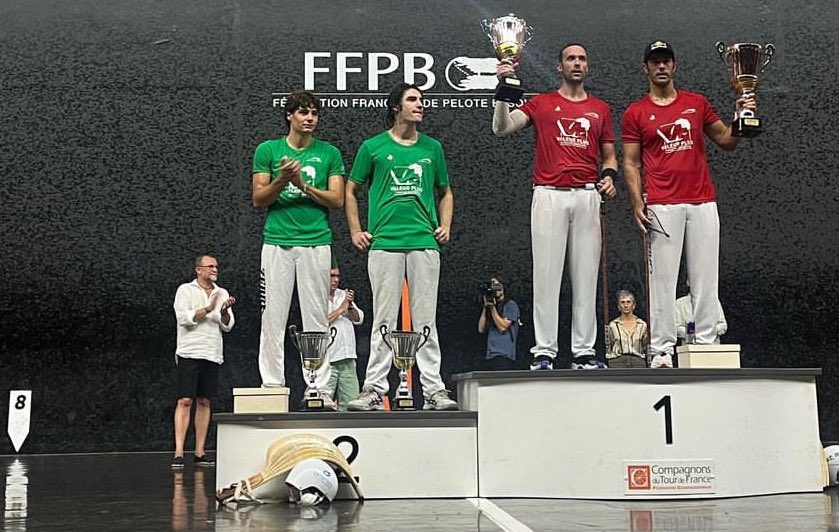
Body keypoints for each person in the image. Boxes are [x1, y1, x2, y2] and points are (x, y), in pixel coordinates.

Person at [622, 40, 754, 368]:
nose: (661, 66)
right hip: (662, 205)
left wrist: (742, 115)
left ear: (674, 66)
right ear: (646, 68)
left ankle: (707, 344)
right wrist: (637, 201)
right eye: (655, 62)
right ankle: (661, 351)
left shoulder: (697, 103)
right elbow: (630, 162)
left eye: (666, 61)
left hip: (703, 202)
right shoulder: (636, 112)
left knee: (706, 279)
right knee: (662, 282)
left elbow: (726, 140)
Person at [492, 44, 618, 370]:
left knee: (586, 278)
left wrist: (609, 177)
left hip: (587, 196)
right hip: (549, 195)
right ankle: (544, 352)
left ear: (587, 66)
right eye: (570, 59)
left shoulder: (600, 109)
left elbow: (609, 157)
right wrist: (503, 90)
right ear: (559, 66)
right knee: (546, 277)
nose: (577, 63)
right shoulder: (542, 103)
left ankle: (584, 353)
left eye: (582, 58)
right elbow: (502, 127)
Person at [344, 82, 457, 411]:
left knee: (426, 320)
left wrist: (445, 225)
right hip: (385, 243)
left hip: (423, 242)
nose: (420, 105)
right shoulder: (373, 147)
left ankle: (434, 390)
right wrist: (356, 230)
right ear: (396, 107)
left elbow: (446, 192)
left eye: (421, 100)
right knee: (383, 319)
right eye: (412, 100)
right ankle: (374, 390)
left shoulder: (432, 148)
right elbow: (350, 189)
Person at [252, 90, 345, 407]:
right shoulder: (268, 150)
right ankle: (272, 385)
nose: (310, 118)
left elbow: (337, 200)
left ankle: (318, 387)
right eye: (303, 112)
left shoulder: (329, 153)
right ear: (289, 115)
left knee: (316, 317)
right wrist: (282, 179)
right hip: (276, 243)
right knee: (272, 318)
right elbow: (259, 198)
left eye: (314, 113)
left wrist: (302, 184)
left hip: (316, 243)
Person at [172, 254, 236, 468]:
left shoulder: (222, 292)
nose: (214, 269)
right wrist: (208, 309)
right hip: (189, 352)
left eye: (216, 266)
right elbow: (184, 318)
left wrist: (224, 312)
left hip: (211, 352)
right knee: (185, 400)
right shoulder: (185, 290)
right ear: (198, 270)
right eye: (210, 266)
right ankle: (179, 452)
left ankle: (200, 452)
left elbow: (228, 325)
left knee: (204, 401)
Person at [325, 266, 364, 411]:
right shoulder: (316, 295)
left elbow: (358, 319)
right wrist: (341, 308)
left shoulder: (343, 294)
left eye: (337, 276)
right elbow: (320, 323)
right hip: (326, 361)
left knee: (351, 406)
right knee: (321, 405)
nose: (335, 280)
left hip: (348, 359)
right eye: (331, 276)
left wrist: (350, 306)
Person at [477, 275, 520, 371]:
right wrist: (486, 307)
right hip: (490, 355)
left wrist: (492, 308)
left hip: (504, 356)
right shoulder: (493, 307)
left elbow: (503, 327)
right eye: (492, 286)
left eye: (497, 285)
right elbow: (481, 329)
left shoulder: (510, 305)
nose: (495, 288)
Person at [675, 279, 727, 344]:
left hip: (712, 346)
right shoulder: (679, 303)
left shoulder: (714, 301)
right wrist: (693, 331)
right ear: (688, 282)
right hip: (690, 347)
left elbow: (723, 325)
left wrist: (709, 330)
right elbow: (676, 328)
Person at [606, 290, 648, 368]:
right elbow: (610, 344)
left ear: (633, 305)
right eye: (623, 302)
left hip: (638, 361)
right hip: (617, 361)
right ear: (619, 306)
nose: (626, 305)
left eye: (628, 302)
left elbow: (645, 345)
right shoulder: (613, 325)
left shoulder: (642, 325)